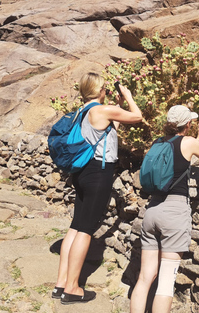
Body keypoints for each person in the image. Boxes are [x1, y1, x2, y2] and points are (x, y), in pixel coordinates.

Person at [52, 72, 143, 304]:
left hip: (82, 173)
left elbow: (109, 129)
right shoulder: (101, 110)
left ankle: (61, 283)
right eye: (105, 89)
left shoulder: (82, 112)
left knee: (76, 226)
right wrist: (128, 96)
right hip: (98, 174)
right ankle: (73, 288)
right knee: (86, 230)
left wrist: (118, 105)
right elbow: (138, 117)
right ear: (99, 90)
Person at [130, 105, 199, 313]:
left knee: (144, 277)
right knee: (166, 281)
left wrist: (196, 138)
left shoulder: (158, 142)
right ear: (187, 124)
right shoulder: (189, 142)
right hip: (174, 212)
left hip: (152, 210)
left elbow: (177, 157)